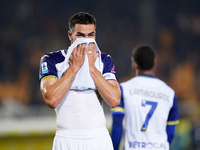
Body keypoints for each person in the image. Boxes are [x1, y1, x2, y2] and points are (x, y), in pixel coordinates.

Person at [39, 12, 121, 150]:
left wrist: (92, 68)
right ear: (70, 36)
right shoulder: (52, 59)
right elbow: (51, 100)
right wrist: (75, 67)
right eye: (80, 35)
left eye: (91, 35)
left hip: (99, 139)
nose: (86, 40)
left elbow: (114, 100)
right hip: (67, 139)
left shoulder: (104, 60)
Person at [111, 45, 179, 150]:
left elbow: (117, 128)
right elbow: (170, 133)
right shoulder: (170, 94)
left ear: (135, 64)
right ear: (154, 63)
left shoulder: (124, 89)